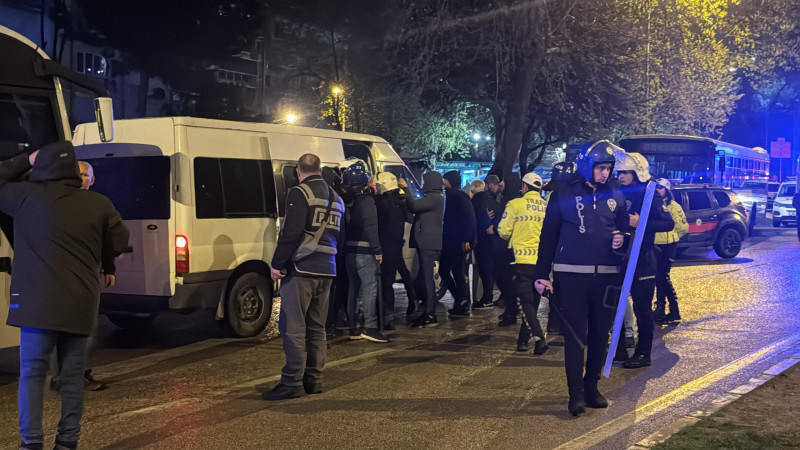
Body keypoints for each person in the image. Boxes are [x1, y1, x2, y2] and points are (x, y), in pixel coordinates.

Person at [0, 142, 130, 450]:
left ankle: (31, 443)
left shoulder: (24, 198)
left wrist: (23, 159)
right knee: (71, 378)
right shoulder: (98, 204)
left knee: (32, 375)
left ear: (41, 167)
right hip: (80, 304)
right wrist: (104, 260)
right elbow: (120, 240)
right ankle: (67, 442)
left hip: (35, 307)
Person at [534, 141, 628, 417]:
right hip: (571, 276)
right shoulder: (563, 194)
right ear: (588, 166)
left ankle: (591, 387)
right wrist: (542, 273)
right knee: (575, 338)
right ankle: (574, 394)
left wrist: (624, 239)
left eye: (608, 168)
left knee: (600, 335)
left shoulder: (617, 195)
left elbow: (624, 232)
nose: (605, 173)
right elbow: (548, 236)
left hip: (606, 278)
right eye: (600, 167)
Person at [264, 153, 344, 401]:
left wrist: (278, 264)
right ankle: (314, 379)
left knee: (294, 327)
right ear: (319, 169)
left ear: (298, 170)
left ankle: (292, 382)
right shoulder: (337, 198)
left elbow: (292, 231)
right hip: (327, 269)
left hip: (302, 269)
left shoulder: (300, 193)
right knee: (317, 327)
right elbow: (340, 235)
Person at [49, 161, 116, 392]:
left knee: (88, 325)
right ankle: (59, 377)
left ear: (93, 180)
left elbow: (108, 241)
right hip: (60, 274)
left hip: (89, 274)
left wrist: (110, 269)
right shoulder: (56, 204)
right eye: (77, 174)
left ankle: (82, 373)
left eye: (85, 175)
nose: (81, 178)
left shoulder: (99, 206)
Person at [615, 152, 674, 369]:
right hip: (619, 257)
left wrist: (640, 223)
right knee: (616, 304)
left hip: (643, 258)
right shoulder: (617, 192)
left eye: (625, 173)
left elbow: (667, 224)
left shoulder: (651, 193)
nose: (621, 177)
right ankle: (619, 349)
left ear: (636, 172)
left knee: (642, 308)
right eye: (619, 172)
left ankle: (643, 353)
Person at [498, 172, 549, 355]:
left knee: (525, 302)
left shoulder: (515, 204)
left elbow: (503, 231)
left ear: (525, 187)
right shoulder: (545, 206)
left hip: (520, 261)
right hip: (541, 263)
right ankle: (522, 341)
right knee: (532, 302)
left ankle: (538, 338)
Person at [339, 158, 388, 343]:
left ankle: (354, 326)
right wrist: (377, 249)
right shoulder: (366, 201)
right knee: (370, 288)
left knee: (353, 288)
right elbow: (371, 225)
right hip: (365, 251)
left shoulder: (345, 200)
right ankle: (370, 326)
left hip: (349, 250)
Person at [399, 172, 444, 328]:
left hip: (428, 244)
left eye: (425, 181)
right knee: (423, 279)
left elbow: (415, 206)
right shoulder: (434, 197)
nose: (423, 183)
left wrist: (406, 190)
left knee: (428, 280)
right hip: (425, 242)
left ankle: (430, 314)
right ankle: (426, 312)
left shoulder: (435, 197)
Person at [374, 172, 416, 331]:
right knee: (403, 272)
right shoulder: (401, 200)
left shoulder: (383, 202)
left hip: (386, 245)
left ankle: (388, 316)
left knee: (386, 282)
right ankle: (413, 301)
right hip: (397, 243)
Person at [440, 171, 477, 316]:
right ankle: (461, 300)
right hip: (452, 239)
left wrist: (466, 239)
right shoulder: (452, 195)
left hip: (456, 241)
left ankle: (462, 301)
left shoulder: (458, 196)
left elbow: (469, 218)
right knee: (452, 270)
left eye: (445, 180)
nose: (443, 182)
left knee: (454, 271)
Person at [653, 178, 688, 323]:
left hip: (667, 246)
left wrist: (672, 238)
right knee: (658, 278)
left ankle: (672, 310)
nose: (657, 190)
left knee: (663, 278)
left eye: (660, 187)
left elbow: (683, 228)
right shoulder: (652, 204)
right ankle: (662, 309)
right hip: (654, 246)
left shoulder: (674, 206)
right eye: (655, 187)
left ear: (666, 190)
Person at [471, 177, 501, 309]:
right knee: (490, 270)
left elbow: (472, 219)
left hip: (482, 240)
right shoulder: (492, 200)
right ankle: (489, 297)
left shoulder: (476, 201)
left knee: (484, 270)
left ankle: (487, 298)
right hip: (493, 240)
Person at [497, 173, 521, 325]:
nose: (500, 183)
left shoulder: (511, 202)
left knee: (505, 280)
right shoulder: (513, 199)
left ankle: (511, 311)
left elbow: (505, 228)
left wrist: (495, 228)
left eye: (503, 180)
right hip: (515, 248)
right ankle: (511, 309)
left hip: (507, 248)